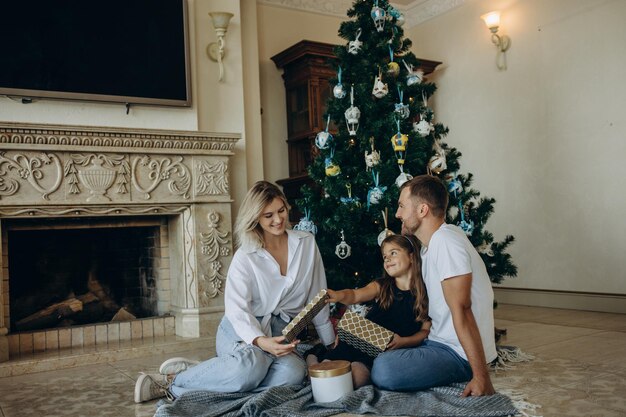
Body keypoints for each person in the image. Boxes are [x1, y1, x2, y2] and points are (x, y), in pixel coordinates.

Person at [134, 181, 335, 403]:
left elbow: (318, 295)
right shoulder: (245, 256)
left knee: (293, 375)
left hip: (282, 330)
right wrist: (259, 341)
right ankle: (171, 380)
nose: (278, 220)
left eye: (281, 210)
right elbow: (237, 311)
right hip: (241, 328)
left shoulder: (306, 244)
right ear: (255, 217)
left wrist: (329, 342)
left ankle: (212, 373)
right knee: (249, 367)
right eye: (268, 215)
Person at [371, 174, 497, 396]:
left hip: (457, 354)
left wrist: (481, 377)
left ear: (422, 210)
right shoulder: (431, 245)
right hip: (437, 342)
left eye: (401, 206)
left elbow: (463, 310)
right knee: (367, 341)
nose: (398, 214)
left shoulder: (445, 242)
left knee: (384, 370)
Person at [306, 234, 431, 389]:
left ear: (412, 257)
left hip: (380, 351)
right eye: (384, 256)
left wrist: (404, 342)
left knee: (356, 380)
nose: (387, 259)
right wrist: (338, 295)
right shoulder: (382, 286)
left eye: (393, 253)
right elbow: (355, 295)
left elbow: (425, 331)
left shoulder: (425, 294)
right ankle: (314, 356)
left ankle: (320, 358)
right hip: (357, 339)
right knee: (325, 379)